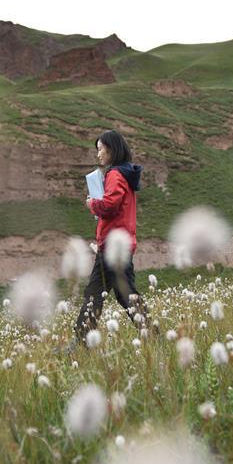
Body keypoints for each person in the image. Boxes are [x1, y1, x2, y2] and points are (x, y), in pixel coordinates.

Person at [76, 130, 152, 342]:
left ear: (111, 149)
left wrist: (93, 204)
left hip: (112, 246)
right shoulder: (125, 174)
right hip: (120, 244)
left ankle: (82, 340)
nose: (99, 154)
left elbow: (110, 205)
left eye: (100, 149)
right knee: (125, 293)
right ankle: (152, 335)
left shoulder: (115, 174)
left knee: (94, 293)